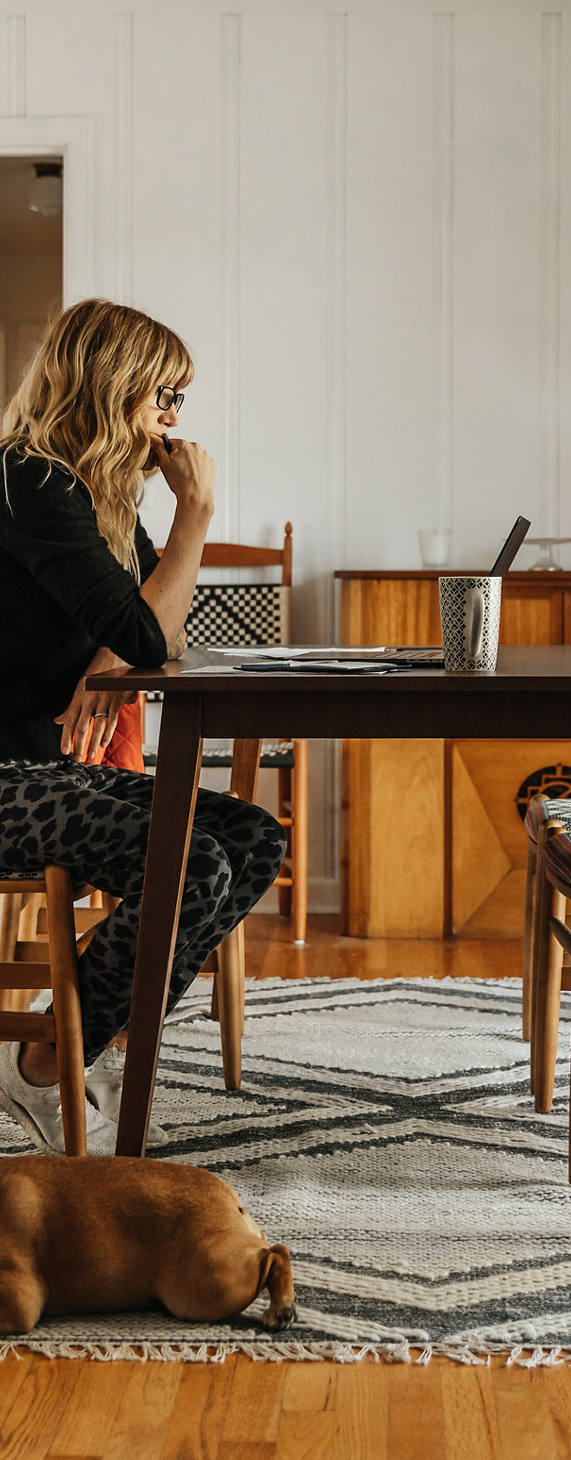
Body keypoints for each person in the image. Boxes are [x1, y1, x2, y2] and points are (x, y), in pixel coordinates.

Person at [0, 298, 286, 1153]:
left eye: (178, 398)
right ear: (110, 382)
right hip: (10, 777)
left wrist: (109, 656)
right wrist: (196, 512)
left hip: (50, 770)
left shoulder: (98, 498)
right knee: (191, 865)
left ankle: (73, 1047)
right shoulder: (30, 480)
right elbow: (152, 637)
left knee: (254, 839)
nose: (172, 415)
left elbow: (157, 634)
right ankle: (45, 1066)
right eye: (163, 393)